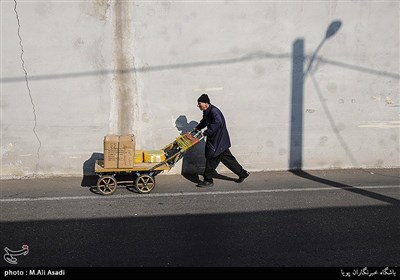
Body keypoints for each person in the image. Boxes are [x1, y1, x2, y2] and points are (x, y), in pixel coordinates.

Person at [194, 93, 249, 187]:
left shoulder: (214, 112)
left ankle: (208, 180)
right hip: (219, 141)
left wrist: (205, 133)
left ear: (206, 103)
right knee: (228, 160)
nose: (198, 105)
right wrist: (198, 127)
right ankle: (243, 173)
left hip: (218, 141)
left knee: (211, 159)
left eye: (199, 103)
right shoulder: (207, 111)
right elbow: (205, 121)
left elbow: (216, 124)